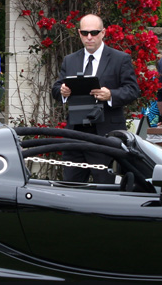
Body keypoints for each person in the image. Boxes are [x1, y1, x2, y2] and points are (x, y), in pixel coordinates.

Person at [51, 13, 140, 183]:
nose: (89, 37)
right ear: (79, 33)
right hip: (75, 132)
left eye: (94, 33)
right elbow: (56, 88)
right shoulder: (70, 60)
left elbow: (132, 90)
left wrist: (111, 95)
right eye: (85, 33)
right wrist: (62, 92)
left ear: (103, 33)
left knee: (104, 186)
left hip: (104, 133)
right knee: (71, 184)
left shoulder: (119, 59)